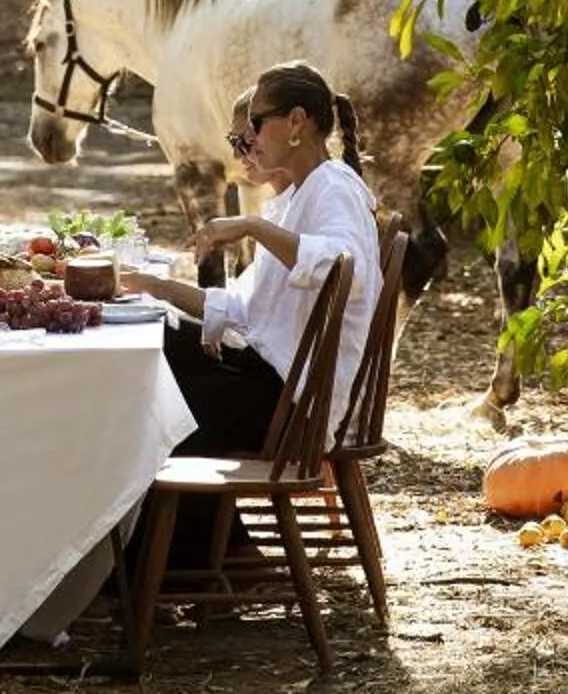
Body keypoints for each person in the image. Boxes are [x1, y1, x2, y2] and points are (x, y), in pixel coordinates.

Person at [118, 59, 383, 455]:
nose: (249, 143)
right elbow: (251, 309)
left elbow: (347, 268)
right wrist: (156, 287)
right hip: (272, 379)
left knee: (148, 404)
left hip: (293, 404)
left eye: (255, 124)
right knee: (151, 342)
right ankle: (197, 518)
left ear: (296, 121)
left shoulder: (334, 187)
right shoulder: (301, 195)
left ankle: (191, 517)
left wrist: (251, 227)